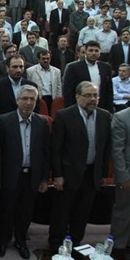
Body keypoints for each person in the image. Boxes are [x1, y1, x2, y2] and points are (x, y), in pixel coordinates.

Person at [48, 81, 111, 250]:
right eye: (88, 95)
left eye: (95, 96)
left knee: (83, 211)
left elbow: (106, 149)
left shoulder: (105, 116)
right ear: (77, 96)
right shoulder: (64, 116)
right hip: (68, 173)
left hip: (92, 173)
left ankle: (75, 241)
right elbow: (56, 149)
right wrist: (57, 175)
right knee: (62, 211)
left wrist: (103, 173)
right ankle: (56, 242)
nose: (92, 99)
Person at [0, 85, 50, 260]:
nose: (28, 102)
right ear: (17, 100)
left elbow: (46, 152)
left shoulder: (42, 122)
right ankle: (2, 240)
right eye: (25, 98)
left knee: (26, 211)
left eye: (32, 99)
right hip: (10, 174)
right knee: (6, 209)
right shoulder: (4, 121)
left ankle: (20, 241)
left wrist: (44, 178)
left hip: (32, 175)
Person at [110, 86, 130, 249]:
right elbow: (117, 150)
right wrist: (123, 175)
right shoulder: (123, 117)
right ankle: (118, 246)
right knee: (124, 212)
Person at [63, 40, 113, 112]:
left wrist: (109, 109)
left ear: (100, 52)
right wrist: (70, 110)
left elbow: (109, 90)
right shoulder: (74, 67)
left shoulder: (105, 67)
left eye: (96, 51)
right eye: (90, 50)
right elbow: (68, 91)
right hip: (80, 107)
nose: (93, 53)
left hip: (101, 106)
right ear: (85, 52)